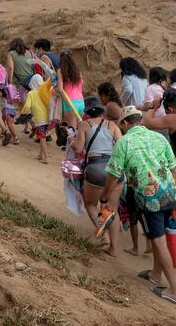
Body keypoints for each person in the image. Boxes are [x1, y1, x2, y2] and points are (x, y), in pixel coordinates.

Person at [96, 106, 176, 305]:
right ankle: (155, 274)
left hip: (150, 199)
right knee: (159, 237)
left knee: (159, 242)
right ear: (140, 120)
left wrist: (104, 197)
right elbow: (174, 171)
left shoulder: (123, 143)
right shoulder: (160, 138)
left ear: (125, 124)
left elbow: (113, 176)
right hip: (170, 194)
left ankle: (174, 291)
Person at [69, 96, 121, 252]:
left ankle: (103, 236)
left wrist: (72, 142)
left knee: (91, 203)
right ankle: (113, 248)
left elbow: (78, 148)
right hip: (114, 168)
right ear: (102, 112)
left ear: (87, 112)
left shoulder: (84, 125)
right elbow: (121, 144)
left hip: (95, 167)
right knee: (112, 209)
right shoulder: (113, 125)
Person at [142, 89, 176, 166]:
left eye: (166, 113)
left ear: (170, 110)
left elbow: (145, 122)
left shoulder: (175, 117)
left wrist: (153, 106)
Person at [19, 74, 50, 163]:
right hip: (47, 118)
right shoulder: (44, 92)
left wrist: (23, 112)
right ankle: (41, 154)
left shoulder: (31, 93)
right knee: (42, 136)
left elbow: (27, 106)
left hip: (40, 119)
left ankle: (46, 157)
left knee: (42, 137)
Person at [57, 50, 83, 129]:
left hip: (70, 102)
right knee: (79, 129)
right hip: (81, 102)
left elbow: (60, 89)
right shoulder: (77, 71)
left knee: (72, 131)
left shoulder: (60, 71)